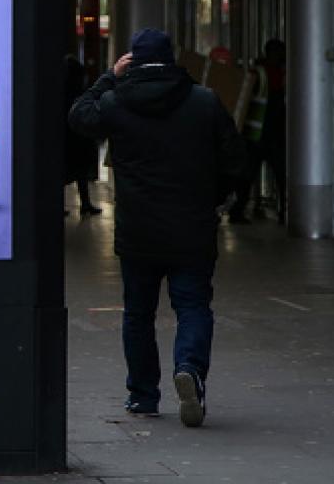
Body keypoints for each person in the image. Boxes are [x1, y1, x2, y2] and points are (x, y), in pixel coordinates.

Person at [69, 28, 246, 427]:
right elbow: (235, 160)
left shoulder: (116, 102)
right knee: (193, 306)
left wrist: (110, 77)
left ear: (133, 59)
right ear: (172, 60)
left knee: (138, 314)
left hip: (139, 230)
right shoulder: (203, 102)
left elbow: (78, 115)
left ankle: (143, 396)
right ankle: (190, 368)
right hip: (192, 227)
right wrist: (216, 197)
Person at [229, 38, 286, 223]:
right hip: (261, 135)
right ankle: (239, 210)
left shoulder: (273, 72)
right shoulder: (262, 73)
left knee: (257, 175)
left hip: (263, 134)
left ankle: (282, 211)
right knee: (254, 175)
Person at [63, 54, 102, 216]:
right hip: (79, 136)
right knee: (81, 172)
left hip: (66, 137)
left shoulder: (60, 91)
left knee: (67, 170)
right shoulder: (80, 92)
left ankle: (65, 204)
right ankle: (85, 204)